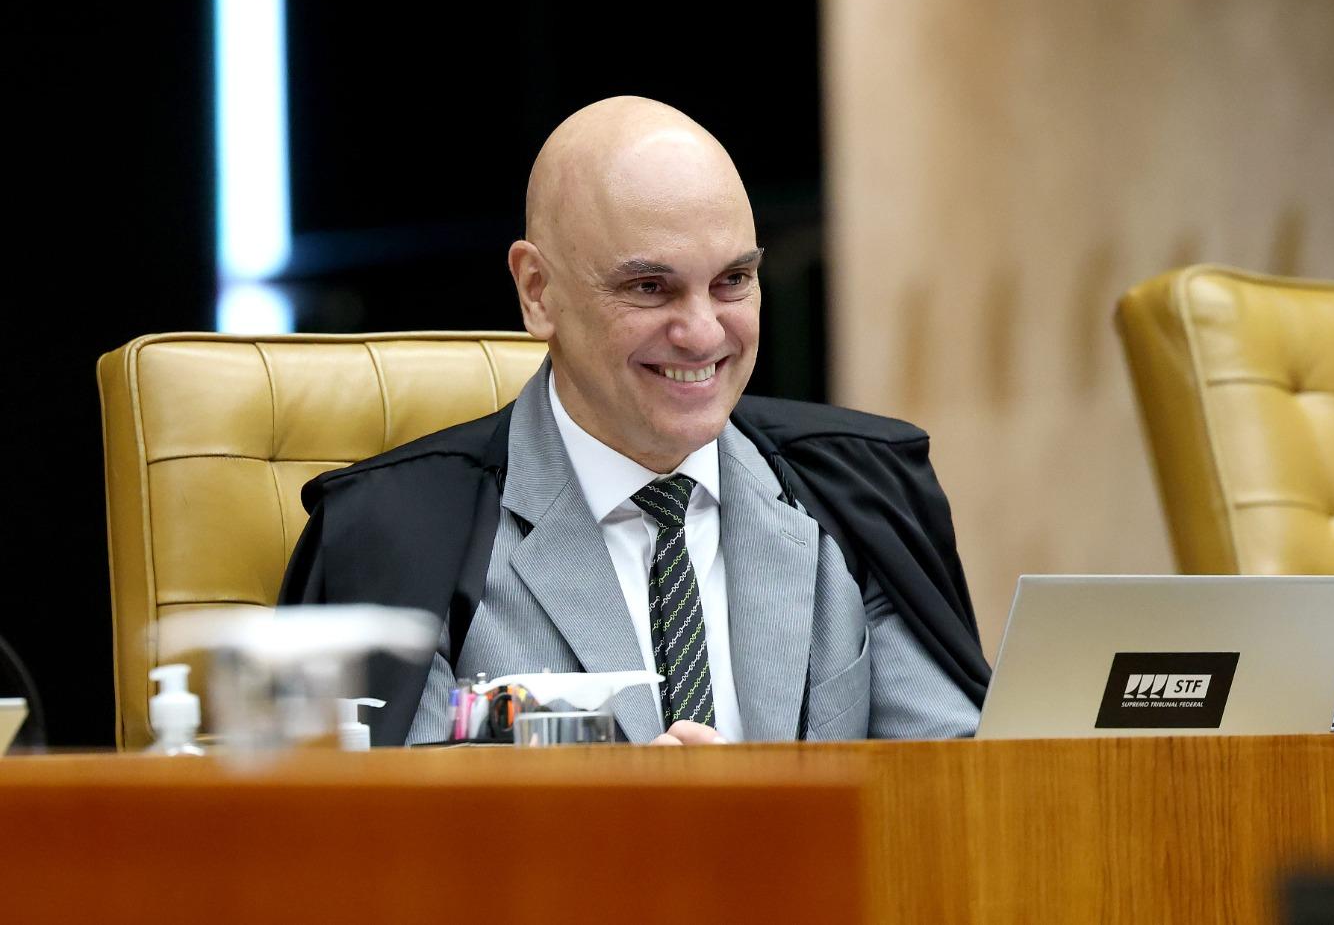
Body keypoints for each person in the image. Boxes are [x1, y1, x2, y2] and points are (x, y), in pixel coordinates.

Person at [280, 97, 988, 746]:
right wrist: (627, 827)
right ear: (538, 292)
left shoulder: (860, 495)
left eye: (733, 281)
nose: (704, 334)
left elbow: (959, 800)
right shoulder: (396, 536)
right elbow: (380, 846)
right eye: (650, 288)